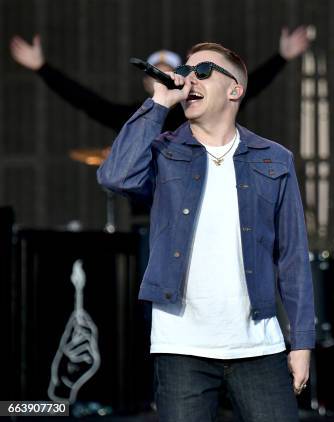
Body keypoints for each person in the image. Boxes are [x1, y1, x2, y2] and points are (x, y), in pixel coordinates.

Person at [97, 41, 314, 422]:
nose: (188, 79)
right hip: (181, 345)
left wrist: (302, 343)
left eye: (202, 71)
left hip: (258, 347)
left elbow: (293, 256)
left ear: (235, 89)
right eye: (186, 71)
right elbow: (114, 176)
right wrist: (159, 103)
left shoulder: (274, 159)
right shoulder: (164, 152)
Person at [9, 26, 309, 133]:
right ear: (146, 81)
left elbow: (245, 88)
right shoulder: (133, 118)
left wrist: (281, 58)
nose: (163, 77)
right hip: (150, 218)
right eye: (156, 72)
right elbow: (85, 100)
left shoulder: (198, 110)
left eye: (171, 71)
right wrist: (42, 68)